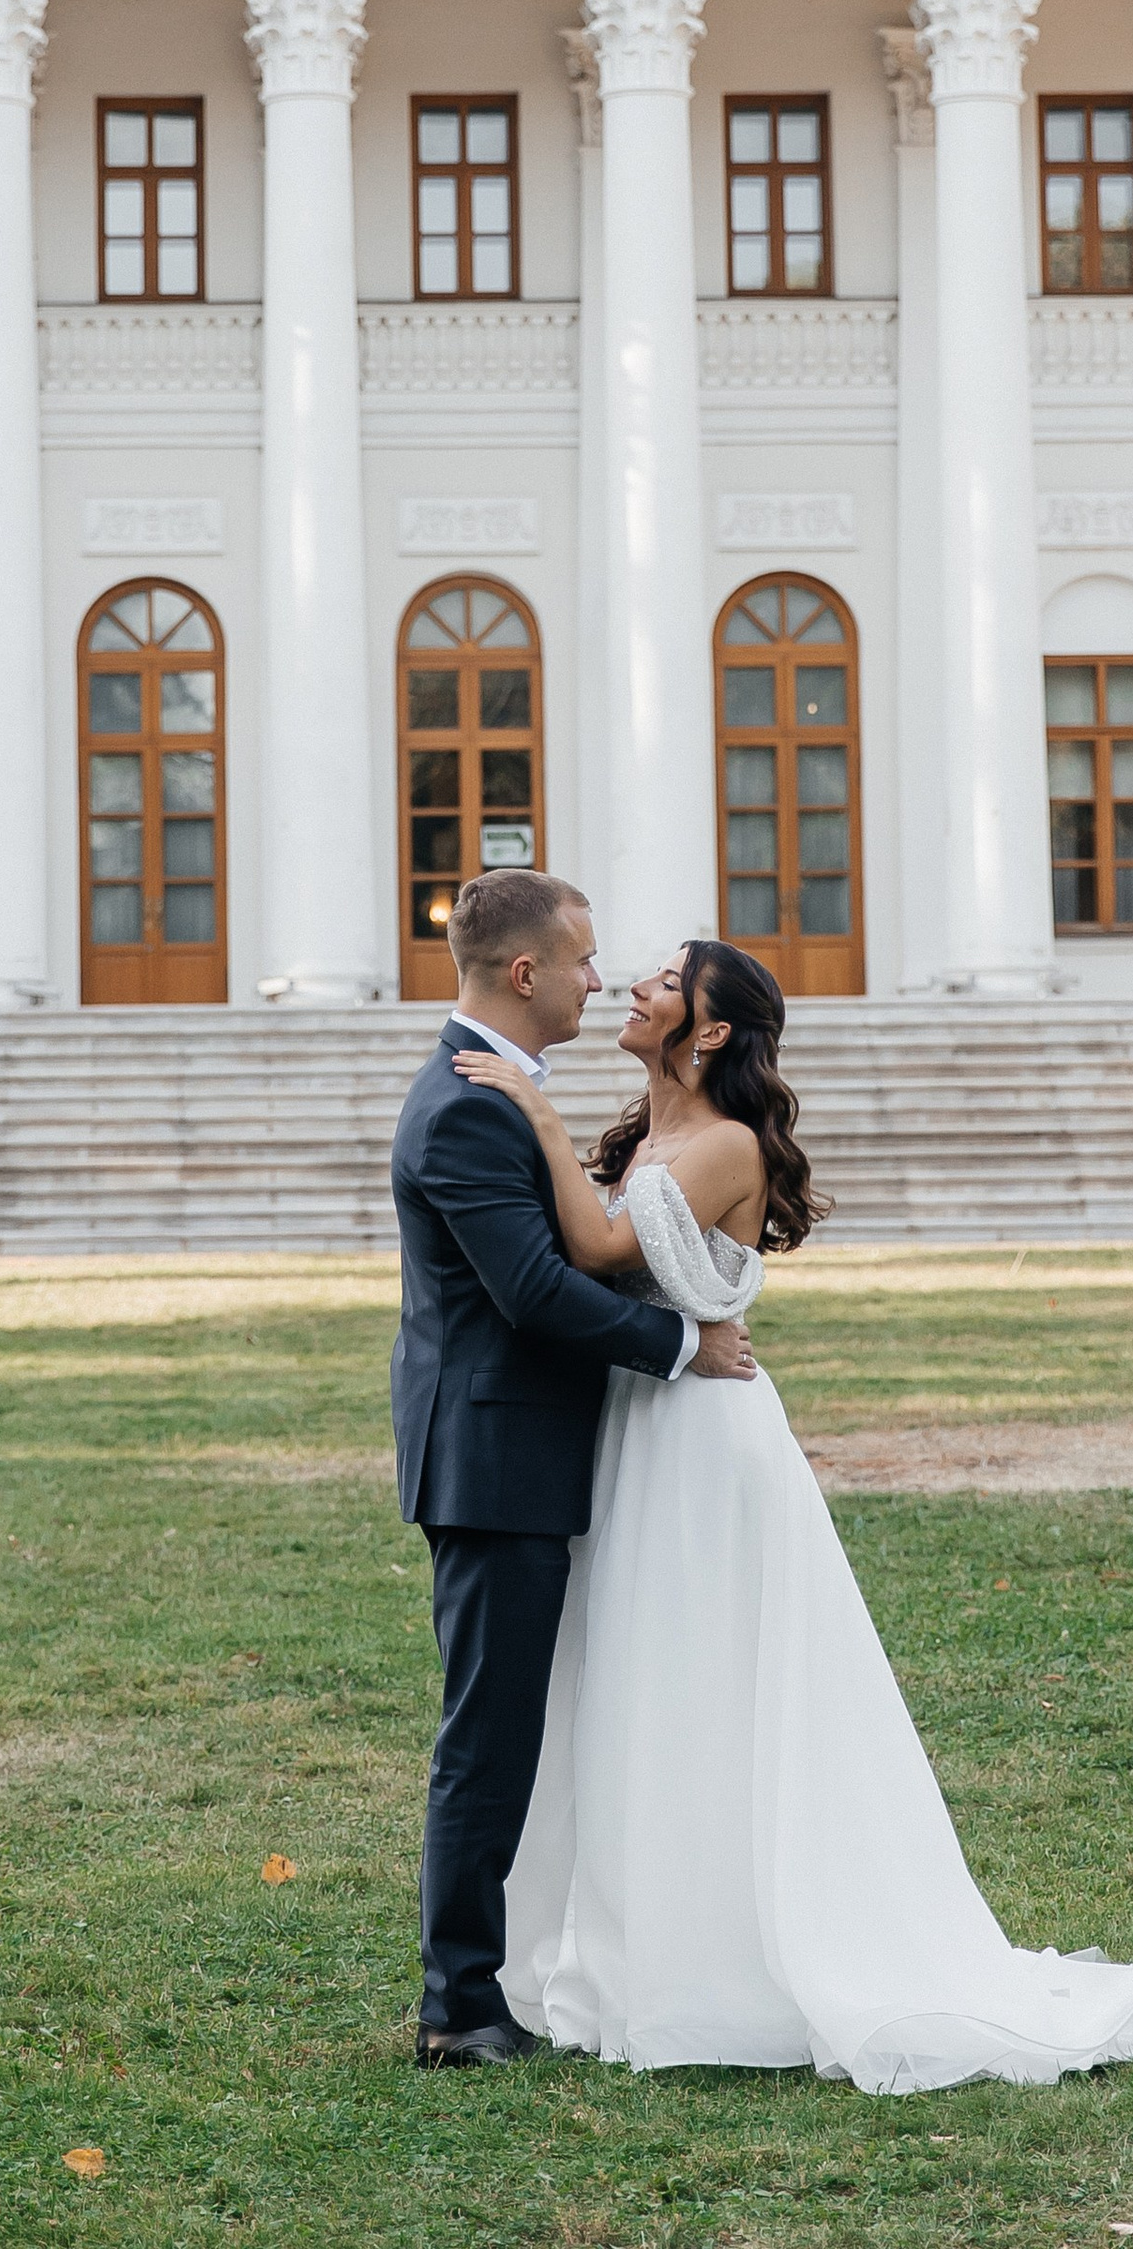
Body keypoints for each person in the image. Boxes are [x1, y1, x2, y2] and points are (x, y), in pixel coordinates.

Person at [457, 938, 1133, 2095]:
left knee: (712, 1673)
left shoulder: (720, 1144)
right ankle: (638, 1936)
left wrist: (534, 1115)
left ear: (709, 1031)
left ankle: (732, 1954)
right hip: (645, 1421)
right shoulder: (657, 1130)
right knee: (637, 1677)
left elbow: (603, 1247)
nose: (635, 989)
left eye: (664, 984)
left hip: (703, 1441)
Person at [388, 869, 758, 2068]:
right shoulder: (465, 1106)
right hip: (494, 1458)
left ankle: (528, 1969)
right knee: (487, 1738)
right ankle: (459, 2006)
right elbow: (537, 1291)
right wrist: (679, 1343)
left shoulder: (511, 1098)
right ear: (526, 972)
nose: (604, 979)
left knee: (530, 1729)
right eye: (588, 961)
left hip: (535, 1449)